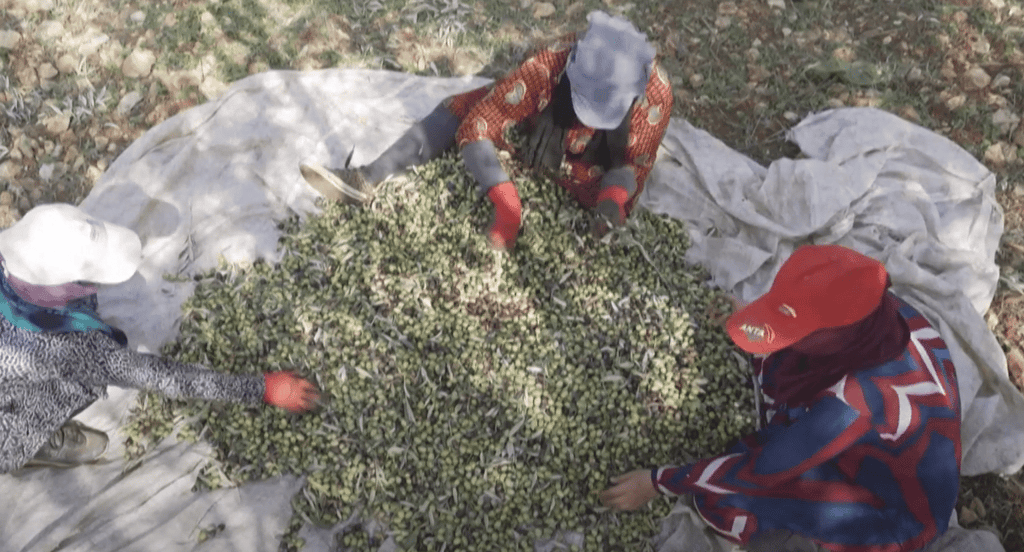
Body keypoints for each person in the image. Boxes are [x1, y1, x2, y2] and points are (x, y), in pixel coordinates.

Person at [599, 244, 962, 552]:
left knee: (718, 499)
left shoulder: (852, 403)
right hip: (880, 453)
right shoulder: (888, 311)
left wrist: (657, 481)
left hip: (893, 516)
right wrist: (752, 319)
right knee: (780, 377)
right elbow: (808, 318)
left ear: (830, 339)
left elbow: (763, 469)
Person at [299, 10, 673, 250]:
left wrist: (611, 201)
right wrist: (505, 201)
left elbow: (632, 163)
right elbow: (479, 124)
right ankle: (366, 178)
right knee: (461, 107)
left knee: (609, 205)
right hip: (533, 137)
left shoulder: (654, 98)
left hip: (587, 173)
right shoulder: (550, 64)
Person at [0, 204, 319, 472]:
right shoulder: (79, 349)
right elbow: (164, 377)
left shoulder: (11, 261)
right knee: (72, 388)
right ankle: (28, 443)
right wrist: (263, 388)